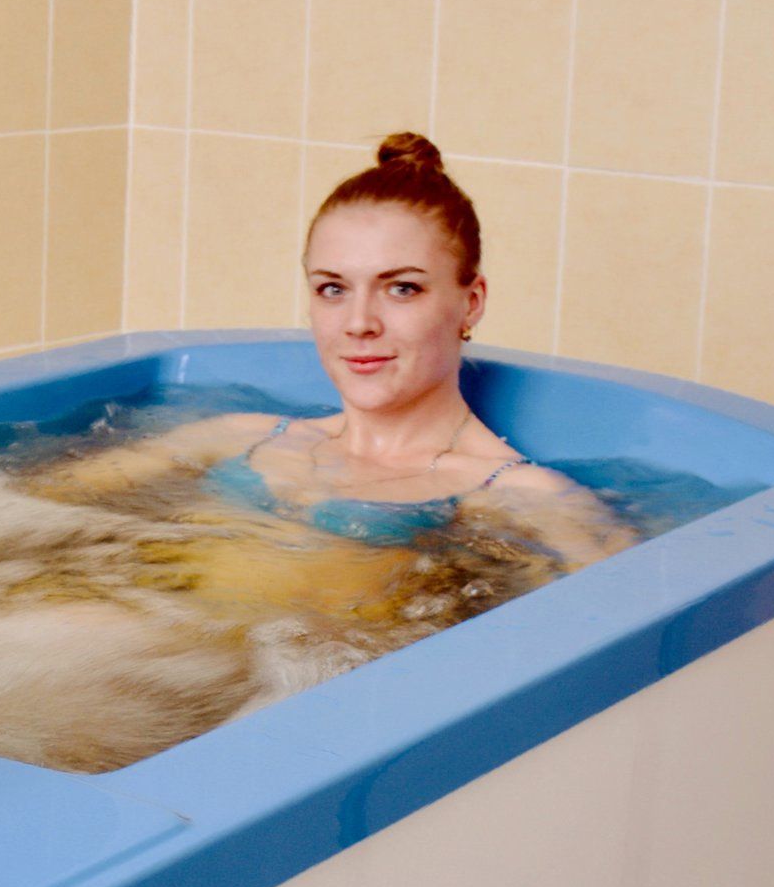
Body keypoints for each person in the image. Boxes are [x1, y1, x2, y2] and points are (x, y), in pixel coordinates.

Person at [48, 132, 632, 573]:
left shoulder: (520, 496)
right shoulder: (237, 435)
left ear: (470, 302)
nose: (358, 324)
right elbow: (26, 509)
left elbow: (622, 628)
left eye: (402, 289)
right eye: (333, 289)